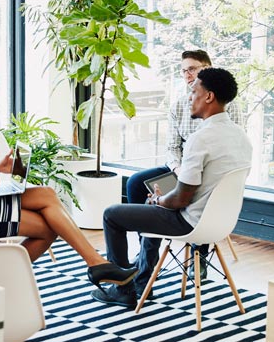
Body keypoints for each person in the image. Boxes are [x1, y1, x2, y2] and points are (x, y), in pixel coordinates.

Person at [0, 61, 137, 290]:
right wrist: (0, 171)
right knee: (48, 228)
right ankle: (2, 280)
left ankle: (97, 263)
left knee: (47, 194)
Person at [92, 68, 252, 308]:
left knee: (112, 214)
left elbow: (180, 200)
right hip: (221, 223)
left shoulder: (202, 138)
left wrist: (159, 200)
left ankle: (122, 288)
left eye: (194, 91)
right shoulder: (241, 136)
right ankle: (142, 281)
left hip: (190, 221)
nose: (190, 97)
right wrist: (162, 201)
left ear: (208, 96)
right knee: (154, 206)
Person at [125, 49, 244, 278]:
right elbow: (172, 148)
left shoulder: (228, 106)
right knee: (136, 183)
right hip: (181, 168)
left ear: (207, 68)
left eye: (192, 69)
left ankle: (199, 255)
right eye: (183, 71)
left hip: (211, 171)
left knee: (199, 191)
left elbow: (232, 147)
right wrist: (178, 169)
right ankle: (145, 251)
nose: (187, 75)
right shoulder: (180, 105)